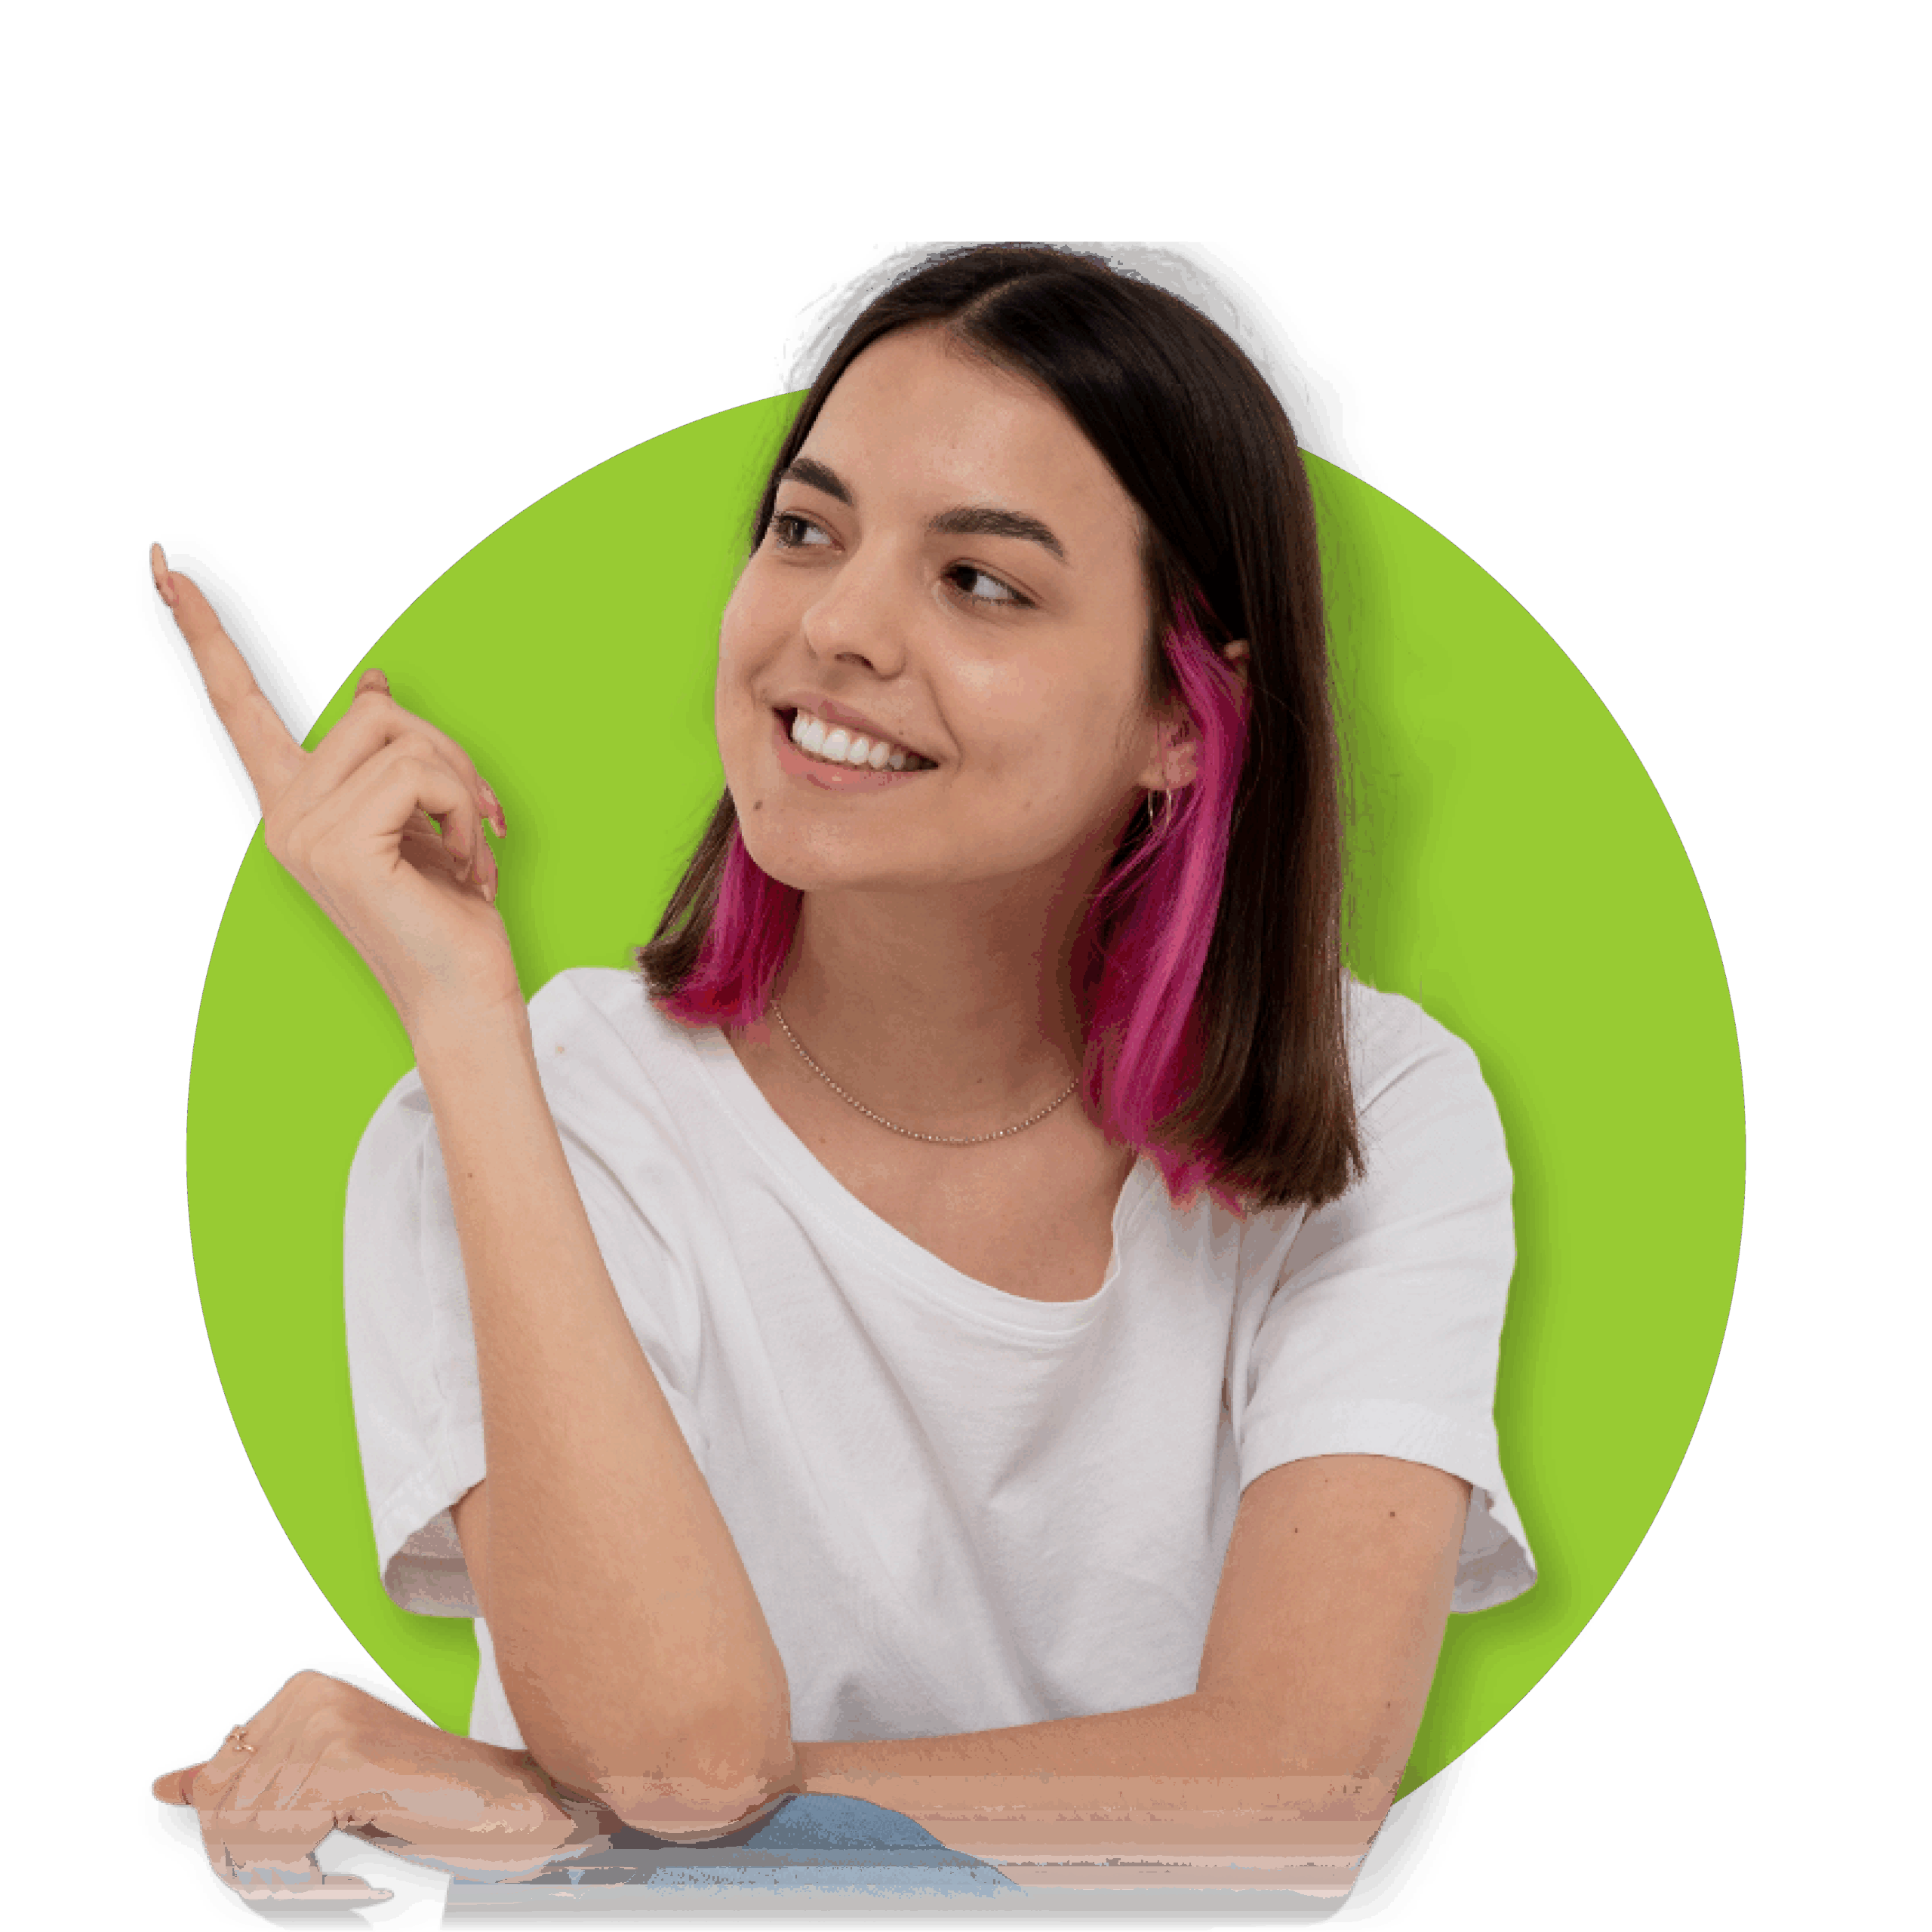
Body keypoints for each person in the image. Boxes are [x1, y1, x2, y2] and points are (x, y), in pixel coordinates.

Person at [149, 242, 1536, 1903]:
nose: (837, 626)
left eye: (983, 581)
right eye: (806, 528)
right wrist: (459, 1012)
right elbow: (679, 1757)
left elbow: (1292, 1793)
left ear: (1184, 715)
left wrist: (562, 1807)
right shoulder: (530, 1112)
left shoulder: (1378, 1105)